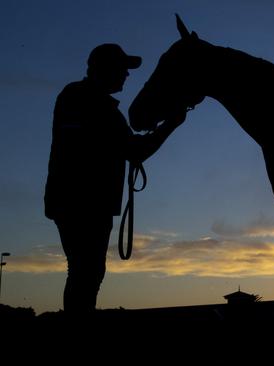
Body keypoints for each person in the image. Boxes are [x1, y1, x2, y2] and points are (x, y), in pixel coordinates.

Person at [44, 43, 184, 316]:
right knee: (86, 271)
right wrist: (171, 124)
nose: (126, 76)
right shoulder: (94, 105)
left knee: (85, 271)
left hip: (75, 201)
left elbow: (125, 146)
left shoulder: (80, 99)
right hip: (85, 203)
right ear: (105, 70)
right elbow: (136, 150)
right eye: (122, 69)